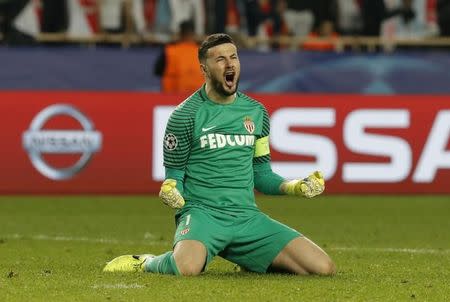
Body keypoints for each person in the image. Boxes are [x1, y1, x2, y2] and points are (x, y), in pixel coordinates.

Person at [104, 33, 336, 277]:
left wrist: (296, 186)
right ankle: (146, 262)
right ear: (204, 69)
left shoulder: (256, 112)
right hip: (203, 215)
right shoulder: (184, 116)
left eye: (234, 57)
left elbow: (262, 175)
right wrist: (171, 190)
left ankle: (250, 258)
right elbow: (174, 179)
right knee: (186, 268)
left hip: (246, 217)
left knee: (322, 268)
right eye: (221, 59)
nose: (230, 64)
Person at [153, 20, 204, 93]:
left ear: (180, 34)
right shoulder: (204, 52)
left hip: (173, 98)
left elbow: (157, 71)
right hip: (198, 99)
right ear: (194, 34)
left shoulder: (169, 50)